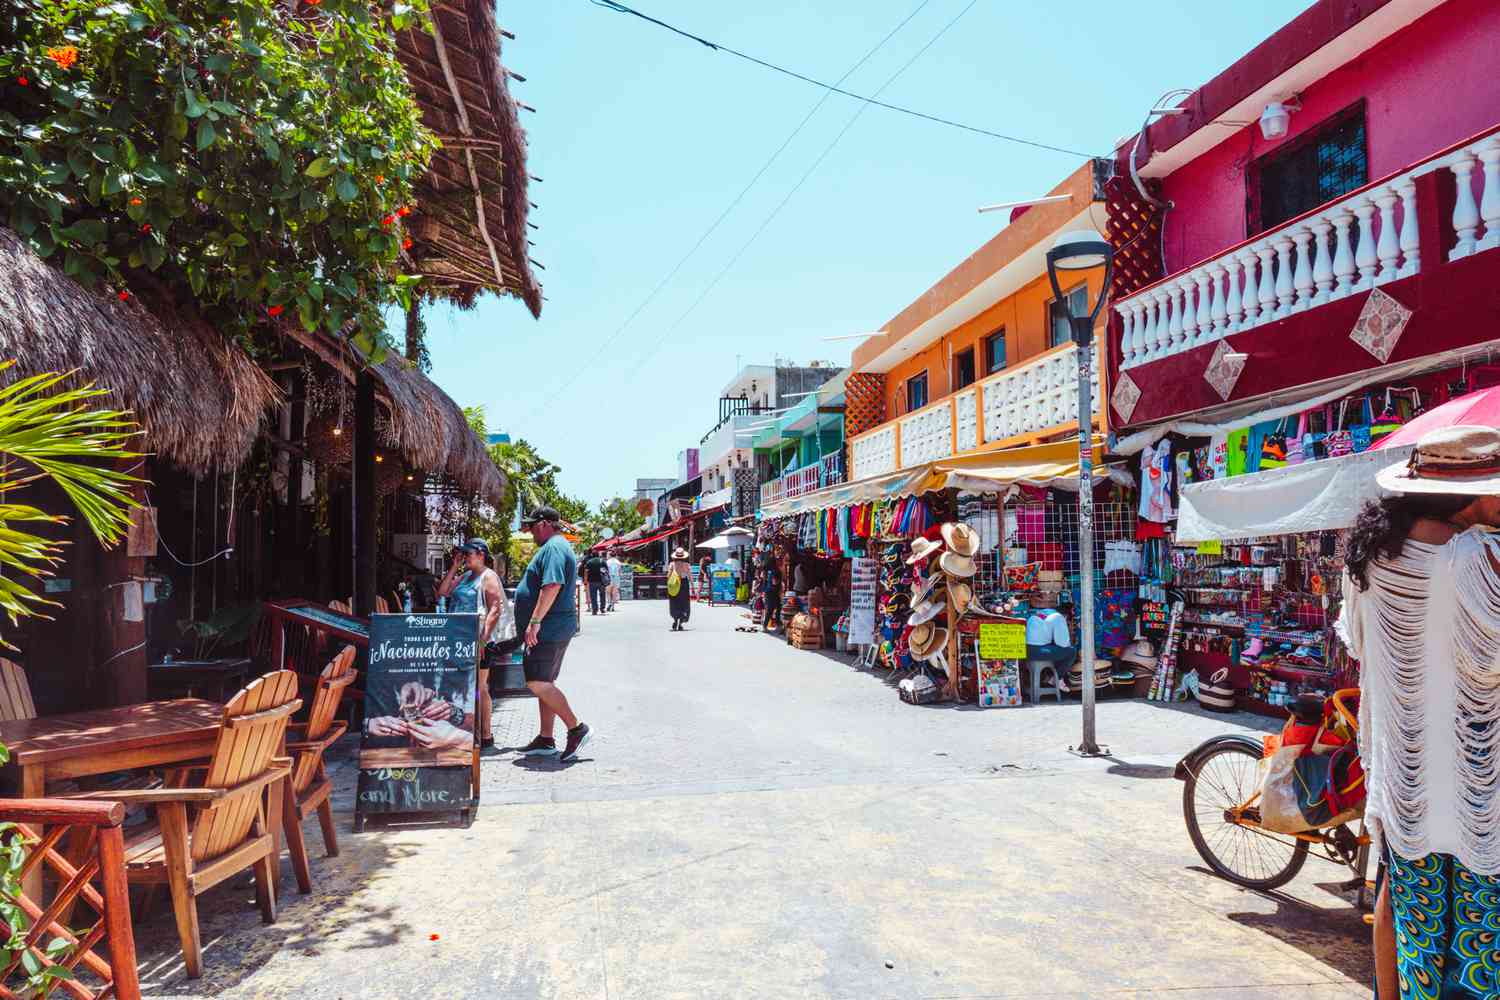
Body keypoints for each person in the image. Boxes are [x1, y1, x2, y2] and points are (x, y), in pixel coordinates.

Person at [1341, 426, 1500, 1000]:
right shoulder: (1479, 557)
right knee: (1482, 949)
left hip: (1409, 783)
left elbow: (1363, 651)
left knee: (1415, 928)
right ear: (1478, 495)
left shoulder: (1375, 558)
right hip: (1481, 787)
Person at [512, 507, 592, 761]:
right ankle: (546, 739)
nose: (532, 531)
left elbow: (553, 585)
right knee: (544, 683)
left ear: (545, 524)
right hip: (553, 627)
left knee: (536, 682)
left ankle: (577, 729)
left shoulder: (555, 547)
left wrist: (535, 621)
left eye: (534, 526)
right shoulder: (555, 546)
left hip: (549, 628)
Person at [434, 537, 511, 749]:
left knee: (480, 687)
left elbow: (495, 609)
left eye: (468, 553)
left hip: (477, 639)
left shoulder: (488, 577)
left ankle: (485, 735)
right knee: (460, 685)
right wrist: (454, 566)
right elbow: (442, 592)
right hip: (456, 639)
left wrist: (484, 640)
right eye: (464, 553)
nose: (465, 556)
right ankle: (466, 730)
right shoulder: (466, 575)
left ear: (481, 554)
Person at [668, 547, 693, 631]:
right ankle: (681, 622)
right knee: (684, 603)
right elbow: (690, 576)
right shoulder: (686, 565)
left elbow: (668, 576)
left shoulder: (672, 564)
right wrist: (693, 586)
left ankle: (675, 619)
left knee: (674, 602)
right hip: (684, 584)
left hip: (674, 584)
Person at [582, 550, 610, 616]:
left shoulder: (589, 562)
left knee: (593, 596)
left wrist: (585, 581)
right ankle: (602, 608)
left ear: (592, 555)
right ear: (598, 555)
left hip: (592, 581)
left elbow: (586, 572)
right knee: (602, 595)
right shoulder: (602, 561)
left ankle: (594, 610)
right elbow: (606, 571)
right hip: (602, 581)